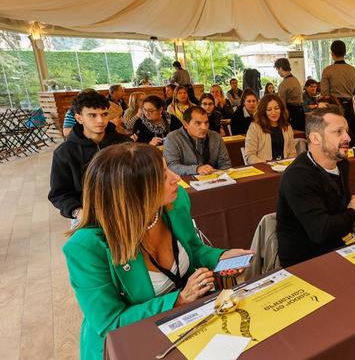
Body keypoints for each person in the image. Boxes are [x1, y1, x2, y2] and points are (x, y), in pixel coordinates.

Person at [63, 142, 251, 360]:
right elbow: (111, 323)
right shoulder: (86, 248)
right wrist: (178, 300)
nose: (176, 178)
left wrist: (220, 257)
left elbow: (194, 249)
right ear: (132, 192)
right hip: (132, 345)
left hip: (186, 323)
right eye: (162, 176)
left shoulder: (175, 201)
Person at [276, 106, 355, 267]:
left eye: (346, 131)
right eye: (338, 132)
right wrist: (353, 213)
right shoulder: (297, 177)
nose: (348, 137)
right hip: (306, 263)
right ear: (315, 138)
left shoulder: (342, 164)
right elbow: (320, 231)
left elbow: (337, 210)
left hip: (340, 247)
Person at [49, 90, 131, 221]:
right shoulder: (65, 152)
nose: (100, 120)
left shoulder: (125, 143)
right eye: (92, 115)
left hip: (127, 209)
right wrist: (78, 211)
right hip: (88, 214)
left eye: (104, 114)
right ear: (79, 118)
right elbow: (59, 194)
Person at [163, 106, 231, 176]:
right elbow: (171, 167)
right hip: (185, 182)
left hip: (214, 179)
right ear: (185, 124)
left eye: (206, 122)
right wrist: (196, 169)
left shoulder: (216, 137)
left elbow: (225, 165)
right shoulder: (173, 138)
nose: (204, 127)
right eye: (198, 123)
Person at [320, 40, 355, 145]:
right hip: (349, 106)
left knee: (335, 136)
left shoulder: (327, 70)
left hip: (334, 107)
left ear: (332, 54)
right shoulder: (353, 70)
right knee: (350, 135)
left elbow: (324, 93)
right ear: (345, 52)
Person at [243, 94, 297, 164]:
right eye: (269, 110)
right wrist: (267, 165)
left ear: (281, 109)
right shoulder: (255, 127)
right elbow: (249, 155)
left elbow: (292, 152)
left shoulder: (287, 126)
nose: (273, 112)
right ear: (263, 111)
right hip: (265, 168)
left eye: (277, 108)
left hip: (285, 168)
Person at [274, 58, 305, 131]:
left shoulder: (283, 84)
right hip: (300, 111)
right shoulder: (296, 80)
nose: (278, 72)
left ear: (281, 68)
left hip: (291, 113)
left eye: (277, 70)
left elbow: (282, 105)